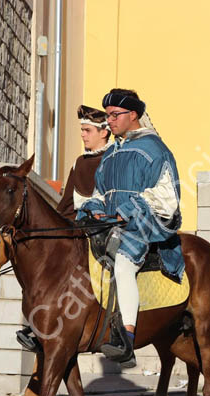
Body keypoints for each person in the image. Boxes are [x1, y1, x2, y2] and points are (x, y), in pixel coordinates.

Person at [78, 88, 184, 367]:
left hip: (144, 223)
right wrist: (96, 209)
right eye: (108, 116)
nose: (109, 121)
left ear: (133, 115)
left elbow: (166, 200)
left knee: (124, 263)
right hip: (111, 224)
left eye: (115, 115)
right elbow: (100, 192)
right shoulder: (112, 152)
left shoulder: (155, 149)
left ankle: (126, 338)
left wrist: (128, 212)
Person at [16, 105, 111, 352]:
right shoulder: (79, 163)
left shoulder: (116, 159)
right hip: (79, 231)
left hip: (107, 230)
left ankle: (116, 323)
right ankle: (40, 326)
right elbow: (66, 205)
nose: (83, 135)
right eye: (82, 130)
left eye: (87, 130)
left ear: (104, 133)